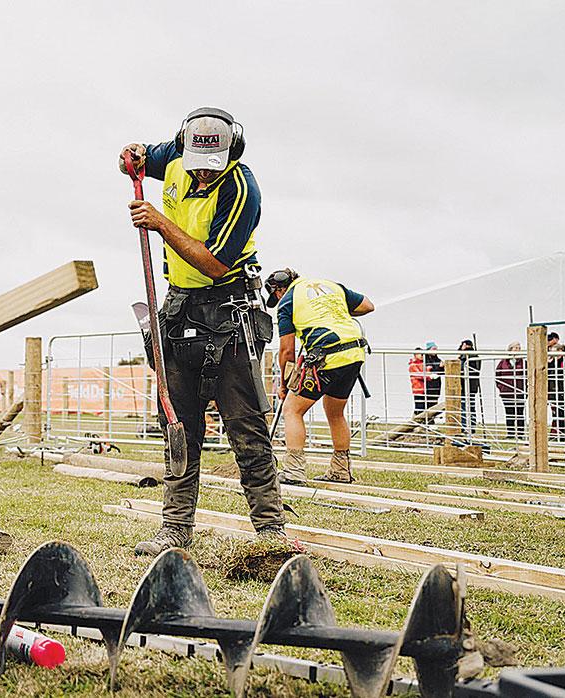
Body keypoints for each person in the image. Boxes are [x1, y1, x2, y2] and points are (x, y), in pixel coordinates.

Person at [119, 107, 286, 554]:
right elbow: (135, 158)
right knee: (180, 426)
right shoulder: (174, 154)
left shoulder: (241, 188)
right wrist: (131, 159)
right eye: (195, 166)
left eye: (211, 169)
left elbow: (214, 264)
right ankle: (175, 528)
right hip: (179, 311)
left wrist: (159, 222)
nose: (201, 176)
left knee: (246, 427)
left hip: (228, 311)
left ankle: (270, 532)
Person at [265, 269, 374, 484]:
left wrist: (285, 385)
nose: (277, 300)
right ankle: (341, 470)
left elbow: (287, 350)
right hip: (354, 353)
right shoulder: (332, 287)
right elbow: (368, 306)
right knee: (335, 412)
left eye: (275, 295)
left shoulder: (288, 300)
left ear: (279, 288)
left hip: (327, 354)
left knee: (292, 410)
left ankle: (294, 471)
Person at [495, 342, 526, 440]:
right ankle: (511, 433)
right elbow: (497, 376)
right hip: (507, 393)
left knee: (520, 413)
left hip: (520, 392)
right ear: (510, 350)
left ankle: (520, 434)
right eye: (515, 348)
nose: (517, 350)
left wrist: (525, 389)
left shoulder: (523, 363)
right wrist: (501, 388)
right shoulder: (503, 363)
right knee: (509, 413)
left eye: (519, 348)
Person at [458, 340, 481, 436]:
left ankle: (469, 426)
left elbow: (476, 370)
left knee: (469, 406)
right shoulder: (462, 357)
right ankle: (465, 425)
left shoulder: (472, 357)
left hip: (469, 385)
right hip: (463, 385)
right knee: (464, 406)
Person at [424, 343, 444, 419]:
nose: (435, 351)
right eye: (434, 349)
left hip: (436, 384)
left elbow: (441, 370)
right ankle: (428, 421)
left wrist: (440, 367)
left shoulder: (437, 359)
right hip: (429, 384)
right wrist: (439, 367)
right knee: (428, 403)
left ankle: (432, 420)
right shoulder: (425, 359)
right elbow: (429, 369)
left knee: (434, 402)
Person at [409, 350, 429, 416]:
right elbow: (419, 375)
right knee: (419, 407)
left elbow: (425, 375)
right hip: (417, 389)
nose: (421, 356)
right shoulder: (413, 365)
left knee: (420, 407)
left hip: (423, 388)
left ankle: (414, 422)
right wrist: (429, 375)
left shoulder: (422, 364)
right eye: (419, 354)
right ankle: (417, 422)